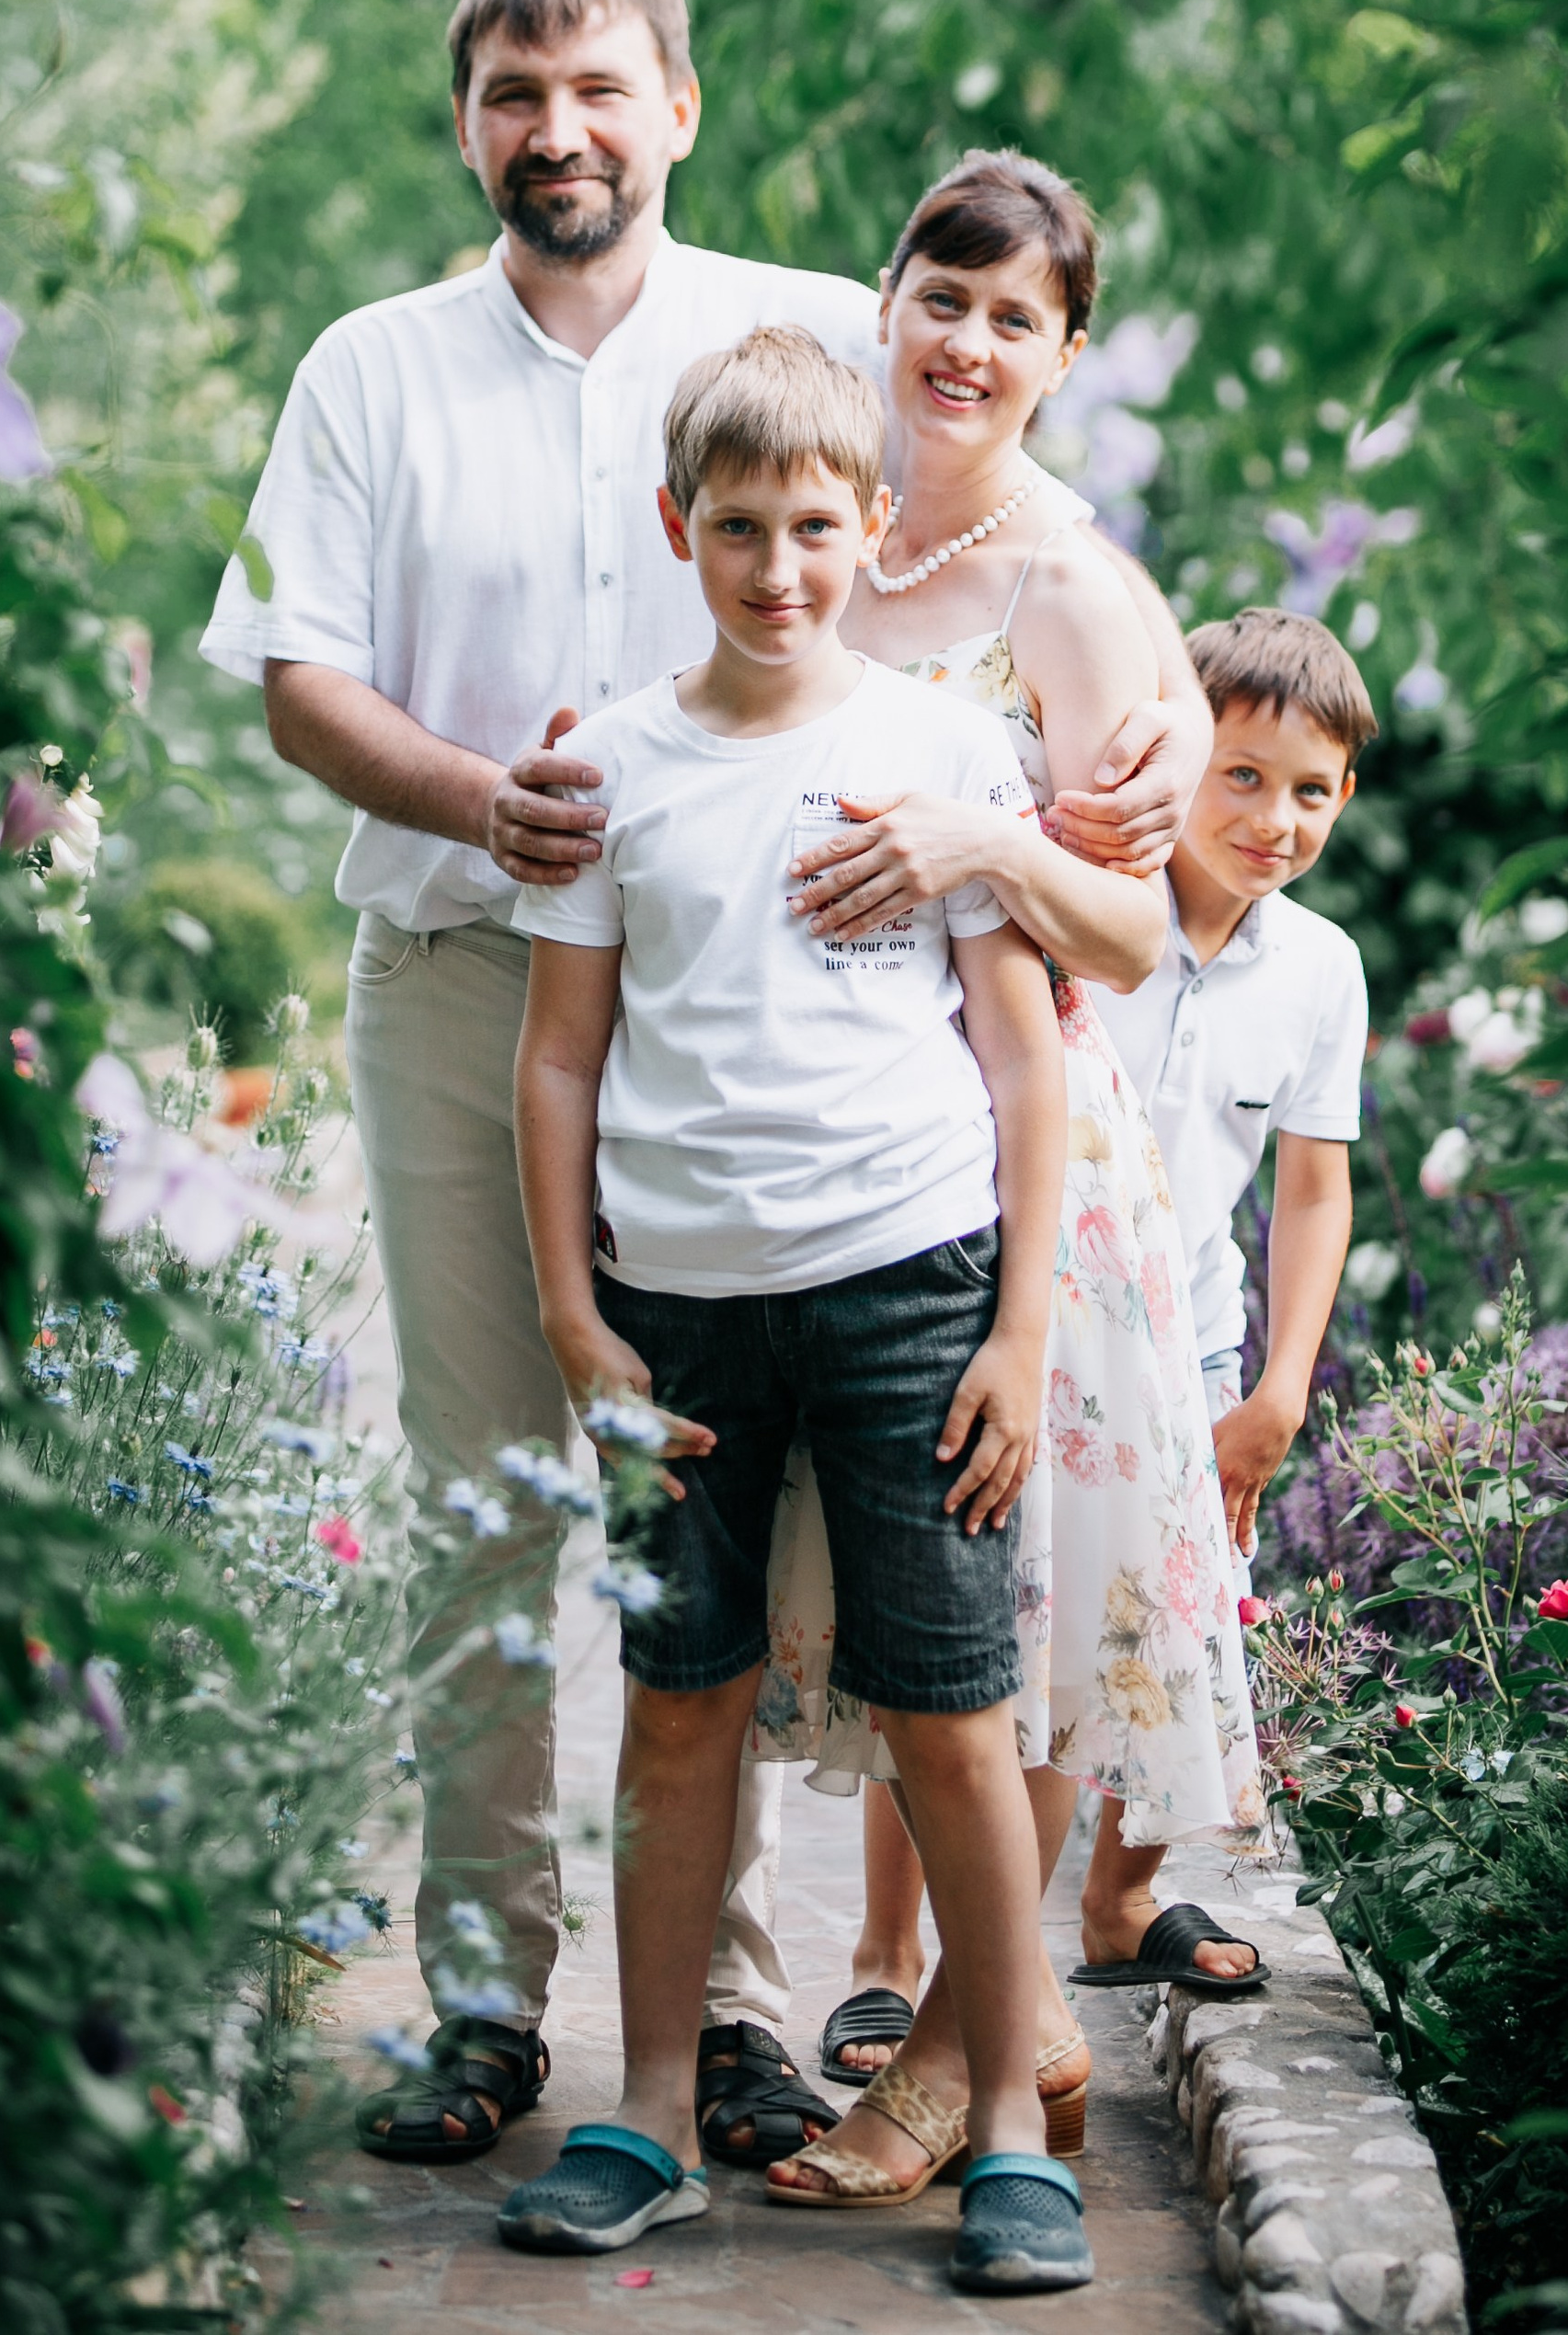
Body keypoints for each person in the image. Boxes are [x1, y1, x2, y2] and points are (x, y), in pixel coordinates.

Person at [197, 0, 1206, 2165]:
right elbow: (292, 677)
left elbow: (968, 467)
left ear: (675, 106)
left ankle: (729, 2013)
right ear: (465, 121)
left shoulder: (784, 340)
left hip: (774, 1033)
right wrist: (484, 797)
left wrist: (1105, 757)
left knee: (743, 1556)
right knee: (483, 1496)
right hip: (477, 992)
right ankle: (481, 1998)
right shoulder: (367, 369)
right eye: (507, 93)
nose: (552, 130)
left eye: (594, 87)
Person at [498, 326, 1093, 2293]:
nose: (776, 567)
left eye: (814, 527)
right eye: (737, 527)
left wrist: (1014, 1328)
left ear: (863, 532)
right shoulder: (609, 767)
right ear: (680, 531)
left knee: (952, 1720)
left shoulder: (936, 753)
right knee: (682, 1715)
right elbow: (560, 1065)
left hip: (912, 1291)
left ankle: (1003, 2126)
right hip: (678, 1317)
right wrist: (577, 1322)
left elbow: (1023, 1065)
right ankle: (645, 2113)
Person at [746, 153, 1263, 2182]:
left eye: (1010, 318)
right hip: (829, 1159)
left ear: (1062, 354)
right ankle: (999, 2026)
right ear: (884, 302)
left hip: (1021, 1157)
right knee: (932, 1613)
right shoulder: (825, 537)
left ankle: (956, 2053)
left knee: (1035, 1609)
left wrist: (987, 851)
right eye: (935, 298)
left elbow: (1144, 929)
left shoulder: (1070, 587)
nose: (962, 345)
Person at [1071, 605, 1371, 1992]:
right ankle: (906, 1951)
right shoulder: (1084, 912)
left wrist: (1279, 1388)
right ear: (1172, 753)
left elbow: (1313, 1189)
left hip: (1191, 1345)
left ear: (1345, 799)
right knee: (986, 1641)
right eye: (1240, 774)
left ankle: (1122, 1901)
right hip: (1039, 1324)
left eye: (1310, 790)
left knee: (1180, 1625)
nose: (1274, 818)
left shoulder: (1319, 970)